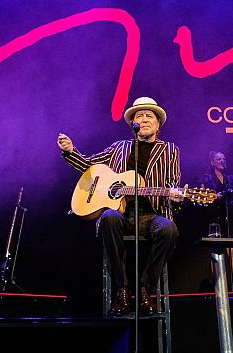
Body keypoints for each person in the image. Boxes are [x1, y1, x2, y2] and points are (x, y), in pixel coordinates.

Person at [57, 97, 183, 316]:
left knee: (168, 229)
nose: (144, 120)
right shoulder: (119, 148)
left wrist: (175, 197)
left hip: (151, 215)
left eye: (149, 116)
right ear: (132, 123)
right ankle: (122, 289)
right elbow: (89, 166)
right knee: (109, 217)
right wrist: (70, 151)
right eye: (139, 116)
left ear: (158, 124)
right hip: (121, 215)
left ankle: (146, 289)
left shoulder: (170, 151)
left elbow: (172, 184)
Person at [196, 150, 233, 292]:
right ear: (212, 162)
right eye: (218, 159)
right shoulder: (205, 180)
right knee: (216, 252)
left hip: (229, 217)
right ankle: (219, 286)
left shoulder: (232, 179)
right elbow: (200, 201)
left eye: (223, 159)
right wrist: (214, 197)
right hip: (214, 218)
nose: (222, 161)